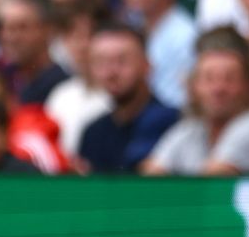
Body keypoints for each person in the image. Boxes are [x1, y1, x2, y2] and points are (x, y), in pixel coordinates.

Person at [141, 28, 249, 176]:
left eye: (230, 79)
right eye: (209, 79)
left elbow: (212, 183)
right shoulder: (191, 129)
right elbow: (151, 177)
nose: (218, 89)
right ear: (194, 87)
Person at [77, 24, 180, 174]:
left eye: (122, 61)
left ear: (147, 65)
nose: (111, 73)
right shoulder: (93, 133)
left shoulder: (174, 124)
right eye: (101, 62)